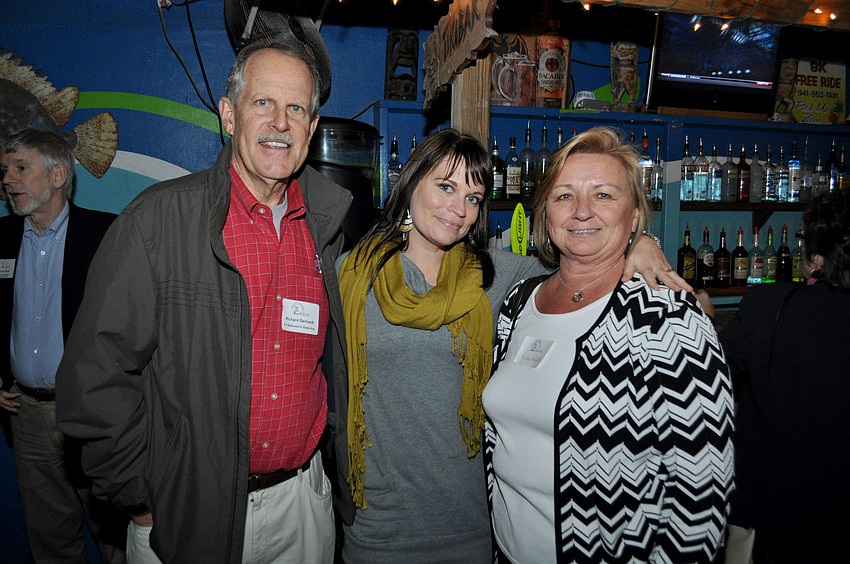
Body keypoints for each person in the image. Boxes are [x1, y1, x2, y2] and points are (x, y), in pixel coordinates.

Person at [335, 128, 691, 563]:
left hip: (477, 522)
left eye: (472, 197)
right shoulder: (349, 276)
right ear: (410, 185)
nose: (458, 208)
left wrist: (642, 242)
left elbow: (580, 251)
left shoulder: (497, 276)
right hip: (380, 523)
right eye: (445, 187)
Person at [55, 42, 350, 563]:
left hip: (304, 505)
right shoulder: (157, 221)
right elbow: (94, 376)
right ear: (229, 115)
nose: (279, 123)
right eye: (263, 104)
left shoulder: (326, 229)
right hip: (187, 512)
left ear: (312, 125)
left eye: (296, 109)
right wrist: (141, 500)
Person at [483, 126, 734, 563]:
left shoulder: (669, 316)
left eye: (603, 195)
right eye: (563, 196)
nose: (581, 211)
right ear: (545, 214)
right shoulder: (518, 302)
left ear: (634, 216)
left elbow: (701, 496)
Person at [699, 189, 850, 563]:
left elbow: (711, 375)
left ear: (815, 255)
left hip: (776, 507)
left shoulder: (771, 306)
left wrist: (701, 323)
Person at [0, 128, 127, 563]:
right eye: (5, 171)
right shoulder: (1, 238)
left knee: (116, 536)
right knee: (50, 538)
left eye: (21, 168)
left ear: (57, 176)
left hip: (90, 412)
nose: (8, 180)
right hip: (27, 414)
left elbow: (133, 324)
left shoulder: (104, 234)